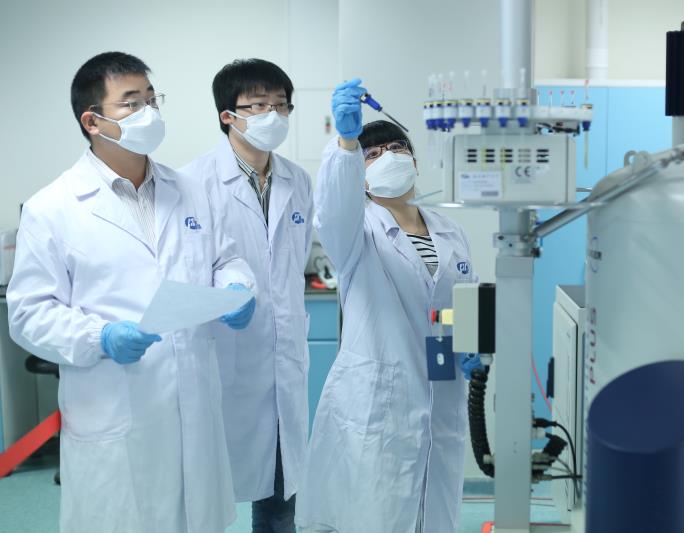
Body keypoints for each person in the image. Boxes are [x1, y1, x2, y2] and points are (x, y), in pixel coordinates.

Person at [6, 51, 257, 533]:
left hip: (192, 409)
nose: (149, 113)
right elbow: (29, 314)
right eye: (131, 103)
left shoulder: (190, 190)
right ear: (92, 120)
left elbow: (225, 259)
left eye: (152, 99)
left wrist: (237, 287)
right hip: (115, 409)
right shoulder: (53, 208)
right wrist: (100, 337)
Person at [295, 79, 477, 533]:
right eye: (372, 154)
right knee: (377, 515)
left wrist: (472, 343)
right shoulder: (356, 231)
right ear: (359, 174)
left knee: (435, 514)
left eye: (398, 148)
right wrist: (346, 144)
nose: (389, 157)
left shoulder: (450, 231)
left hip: (443, 390)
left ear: (414, 161)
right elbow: (333, 207)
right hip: (381, 403)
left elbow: (461, 300)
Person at [180, 59, 313, 533]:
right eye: (258, 105)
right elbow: (188, 269)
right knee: (203, 500)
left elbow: (295, 263)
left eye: (281, 104)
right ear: (228, 115)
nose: (272, 115)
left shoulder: (298, 181)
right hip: (222, 357)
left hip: (283, 363)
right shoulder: (191, 183)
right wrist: (228, 293)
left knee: (280, 499)